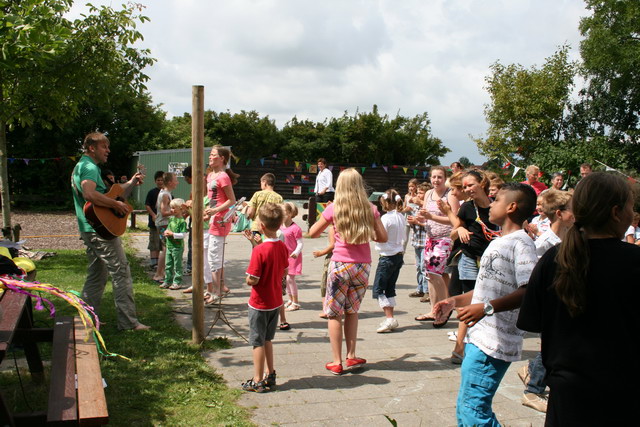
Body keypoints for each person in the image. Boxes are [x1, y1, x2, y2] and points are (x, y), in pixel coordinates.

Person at [517, 173, 639, 426]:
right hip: (623, 395)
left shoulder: (553, 258)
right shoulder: (633, 262)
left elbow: (532, 320)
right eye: (631, 207)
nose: (633, 213)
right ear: (616, 212)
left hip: (567, 394)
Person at [435, 182, 538, 426]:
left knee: (474, 411)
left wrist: (486, 309)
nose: (491, 204)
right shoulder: (498, 241)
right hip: (478, 338)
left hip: (495, 342)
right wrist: (452, 301)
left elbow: (530, 290)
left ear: (511, 207)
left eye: (497, 200)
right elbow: (483, 289)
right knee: (466, 407)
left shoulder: (521, 244)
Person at [309, 168, 387, 375]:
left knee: (334, 314)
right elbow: (383, 238)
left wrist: (333, 227)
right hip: (362, 266)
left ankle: (336, 361)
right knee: (352, 311)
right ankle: (351, 356)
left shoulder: (334, 208)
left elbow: (312, 232)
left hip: (340, 265)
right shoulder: (370, 208)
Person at [70, 132, 149, 331]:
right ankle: (128, 323)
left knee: (97, 274)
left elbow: (109, 192)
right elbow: (90, 194)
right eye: (104, 147)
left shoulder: (82, 166)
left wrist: (131, 182)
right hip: (99, 231)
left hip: (91, 228)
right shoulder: (89, 167)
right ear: (91, 148)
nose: (108, 151)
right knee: (121, 272)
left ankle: (88, 319)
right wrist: (115, 203)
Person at [518, 189, 573, 413]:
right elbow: (537, 274)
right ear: (560, 214)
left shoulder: (567, 237)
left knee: (551, 344)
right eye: (572, 211)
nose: (576, 214)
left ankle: (530, 368)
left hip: (562, 297)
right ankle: (533, 390)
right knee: (551, 344)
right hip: (550, 299)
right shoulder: (545, 243)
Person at [242, 203, 289, 393]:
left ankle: (257, 379)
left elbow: (252, 279)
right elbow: (284, 270)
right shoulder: (283, 247)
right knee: (268, 339)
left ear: (261, 226)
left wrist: (247, 279)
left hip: (259, 304)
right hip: (275, 301)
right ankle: (271, 373)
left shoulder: (259, 251)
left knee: (257, 342)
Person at [415, 166, 459, 323]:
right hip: (430, 238)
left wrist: (431, 217)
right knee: (429, 276)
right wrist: (420, 219)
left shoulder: (450, 195)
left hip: (445, 238)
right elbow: (426, 217)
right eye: (433, 177)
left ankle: (445, 309)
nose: (436, 180)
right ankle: (434, 309)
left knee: (435, 273)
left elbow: (455, 220)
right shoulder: (428, 194)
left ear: (445, 178)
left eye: (439, 177)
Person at [204, 145, 238, 302]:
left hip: (221, 221)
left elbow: (232, 200)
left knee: (214, 256)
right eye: (210, 155)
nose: (210, 157)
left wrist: (215, 210)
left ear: (222, 158)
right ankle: (216, 288)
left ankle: (216, 292)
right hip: (212, 218)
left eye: (213, 155)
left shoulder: (223, 177)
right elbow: (212, 199)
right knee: (211, 255)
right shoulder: (210, 175)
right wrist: (207, 211)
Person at [372, 189, 406, 333]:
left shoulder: (385, 219)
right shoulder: (400, 217)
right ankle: (390, 317)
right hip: (398, 255)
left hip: (387, 256)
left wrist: (371, 233)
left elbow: (380, 236)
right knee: (390, 287)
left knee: (379, 289)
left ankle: (389, 318)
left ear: (385, 202)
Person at [152, 172, 178, 284]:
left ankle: (163, 273)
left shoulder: (165, 193)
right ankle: (158, 274)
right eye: (176, 180)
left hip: (163, 223)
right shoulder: (165, 195)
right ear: (170, 182)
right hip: (163, 224)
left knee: (166, 248)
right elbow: (163, 212)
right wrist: (175, 212)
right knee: (166, 248)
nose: (177, 182)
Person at [407, 182, 429, 299]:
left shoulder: (427, 208)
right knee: (418, 267)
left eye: (421, 193)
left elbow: (430, 226)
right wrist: (411, 221)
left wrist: (417, 222)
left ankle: (426, 291)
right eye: (418, 192)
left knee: (424, 267)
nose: (418, 195)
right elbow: (412, 222)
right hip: (416, 240)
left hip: (425, 241)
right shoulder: (416, 207)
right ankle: (420, 288)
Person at [160, 198, 188, 290]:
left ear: (181, 209)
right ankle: (167, 281)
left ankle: (177, 282)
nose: (172, 210)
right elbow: (168, 229)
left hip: (177, 247)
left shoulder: (182, 222)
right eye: (171, 208)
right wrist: (166, 232)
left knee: (177, 265)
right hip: (169, 245)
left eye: (174, 208)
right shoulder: (171, 219)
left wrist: (173, 234)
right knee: (168, 264)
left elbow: (183, 235)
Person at [281, 202, 303, 312]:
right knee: (287, 279)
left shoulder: (296, 228)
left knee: (290, 279)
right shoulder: (280, 226)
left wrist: (296, 252)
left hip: (293, 257)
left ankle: (296, 302)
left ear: (289, 214)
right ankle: (290, 299)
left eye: (283, 212)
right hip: (284, 257)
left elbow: (300, 243)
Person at [247, 173, 283, 239]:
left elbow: (250, 212)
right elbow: (281, 214)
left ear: (264, 182)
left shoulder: (257, 194)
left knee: (258, 248)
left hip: (257, 227)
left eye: (261, 183)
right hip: (271, 228)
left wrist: (248, 217)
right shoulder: (279, 197)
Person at [313, 227, 335, 319]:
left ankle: (326, 310)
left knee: (325, 285)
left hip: (333, 257)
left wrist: (320, 253)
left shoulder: (333, 228)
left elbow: (333, 245)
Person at [145, 170, 164, 270]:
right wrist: (153, 214)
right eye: (158, 180)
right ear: (155, 181)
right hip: (154, 223)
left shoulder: (167, 193)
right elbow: (147, 205)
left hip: (163, 223)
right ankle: (153, 262)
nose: (160, 182)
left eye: (162, 180)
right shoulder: (152, 192)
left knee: (162, 243)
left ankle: (160, 262)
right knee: (154, 242)